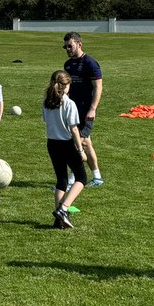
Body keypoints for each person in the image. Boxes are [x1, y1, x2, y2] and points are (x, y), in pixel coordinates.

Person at [43, 70, 87, 229]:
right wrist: (81, 150)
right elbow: (74, 129)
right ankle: (63, 209)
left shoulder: (46, 102)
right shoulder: (69, 103)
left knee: (61, 180)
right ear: (65, 85)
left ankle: (58, 220)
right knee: (81, 178)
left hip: (52, 144)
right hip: (67, 144)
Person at [62, 32, 104, 186]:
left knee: (77, 143)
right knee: (86, 143)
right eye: (65, 46)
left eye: (70, 46)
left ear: (79, 44)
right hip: (73, 110)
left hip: (86, 110)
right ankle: (97, 177)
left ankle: (72, 180)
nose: (67, 49)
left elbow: (98, 87)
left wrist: (92, 109)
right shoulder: (67, 64)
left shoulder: (90, 63)